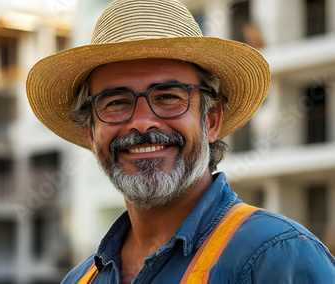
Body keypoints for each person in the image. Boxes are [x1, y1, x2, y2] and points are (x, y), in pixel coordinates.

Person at [26, 0, 335, 283]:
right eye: (116, 102)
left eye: (168, 97)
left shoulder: (277, 258)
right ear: (92, 134)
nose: (142, 122)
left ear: (211, 120)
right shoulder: (82, 279)